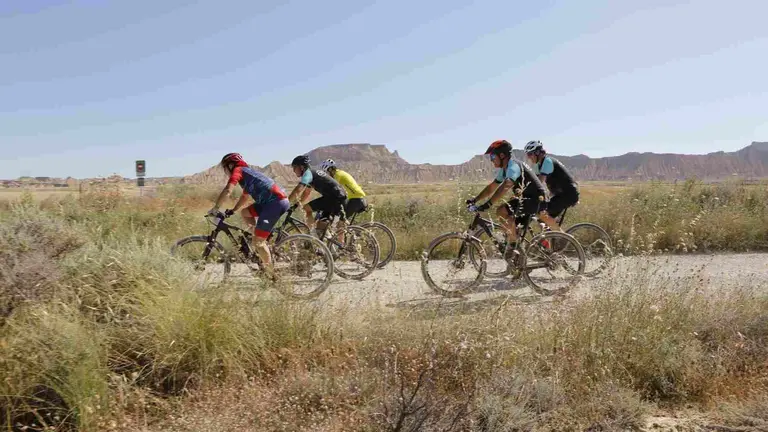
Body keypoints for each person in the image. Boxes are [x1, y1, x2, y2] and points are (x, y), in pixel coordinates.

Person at [209, 152, 290, 279]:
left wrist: (215, 208)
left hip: (275, 203)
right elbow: (245, 197)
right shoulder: (248, 175)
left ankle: (272, 275)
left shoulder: (238, 170)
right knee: (245, 213)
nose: (225, 172)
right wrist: (234, 210)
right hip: (271, 202)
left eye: (225, 168)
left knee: (258, 242)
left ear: (230, 165)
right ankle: (259, 239)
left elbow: (228, 190)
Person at [466, 139, 548, 257]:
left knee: (501, 211)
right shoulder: (505, 169)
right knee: (513, 230)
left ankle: (512, 248)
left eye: (493, 156)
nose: (491, 160)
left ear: (502, 155)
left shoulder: (513, 166)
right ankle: (520, 261)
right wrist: (475, 199)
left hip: (536, 199)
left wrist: (489, 204)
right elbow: (492, 187)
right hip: (529, 199)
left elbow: (507, 184)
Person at [523, 140, 579, 232]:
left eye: (530, 154)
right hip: (560, 195)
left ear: (537, 153)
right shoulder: (539, 165)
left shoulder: (547, 161)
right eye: (527, 155)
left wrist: (527, 193)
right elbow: (533, 181)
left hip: (568, 194)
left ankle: (562, 238)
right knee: (542, 220)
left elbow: (539, 182)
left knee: (542, 214)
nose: (528, 157)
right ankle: (549, 243)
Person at [287, 154, 348, 237]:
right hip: (336, 196)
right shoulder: (312, 173)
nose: (294, 170)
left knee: (306, 208)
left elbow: (299, 189)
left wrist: (287, 202)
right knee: (321, 224)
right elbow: (306, 193)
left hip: (335, 197)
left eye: (294, 167)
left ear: (301, 167)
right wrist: (296, 205)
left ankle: (313, 237)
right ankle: (327, 245)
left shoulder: (307, 174)